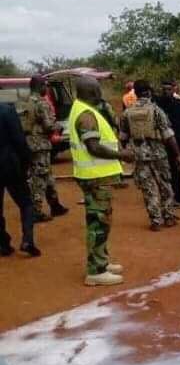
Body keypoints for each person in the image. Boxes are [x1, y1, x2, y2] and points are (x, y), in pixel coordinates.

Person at [68, 77, 133, 286]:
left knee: (100, 221)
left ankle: (101, 262)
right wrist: (122, 155)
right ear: (93, 93)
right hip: (95, 178)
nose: (100, 93)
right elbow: (94, 147)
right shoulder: (86, 115)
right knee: (99, 224)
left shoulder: (81, 109)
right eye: (98, 90)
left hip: (93, 176)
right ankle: (95, 271)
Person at [119, 80, 180, 230]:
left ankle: (155, 220)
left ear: (136, 93)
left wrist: (126, 152)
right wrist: (177, 154)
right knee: (165, 185)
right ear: (149, 92)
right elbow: (168, 134)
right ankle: (169, 216)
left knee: (148, 189)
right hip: (158, 154)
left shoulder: (127, 112)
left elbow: (123, 137)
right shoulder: (156, 110)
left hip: (140, 156)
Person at [23, 75, 68, 222]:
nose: (46, 89)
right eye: (45, 86)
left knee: (46, 176)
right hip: (40, 144)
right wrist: (60, 126)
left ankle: (55, 205)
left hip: (30, 143)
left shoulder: (25, 101)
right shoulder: (41, 103)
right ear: (41, 86)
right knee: (39, 179)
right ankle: (35, 212)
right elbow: (49, 126)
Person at [0, 102, 39, 257]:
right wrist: (26, 162)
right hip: (10, 164)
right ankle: (27, 240)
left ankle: (3, 243)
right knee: (26, 203)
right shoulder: (7, 110)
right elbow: (19, 140)